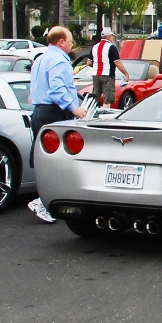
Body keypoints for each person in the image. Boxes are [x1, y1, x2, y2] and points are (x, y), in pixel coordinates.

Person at [28, 26, 89, 223]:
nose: (72, 45)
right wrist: (74, 108)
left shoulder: (41, 58)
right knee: (58, 158)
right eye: (70, 41)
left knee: (42, 157)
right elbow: (57, 90)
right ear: (61, 41)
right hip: (54, 112)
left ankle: (44, 199)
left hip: (40, 112)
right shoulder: (58, 60)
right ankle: (44, 202)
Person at [89, 27, 129, 108]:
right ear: (109, 37)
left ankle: (93, 116)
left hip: (96, 75)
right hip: (107, 75)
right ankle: (104, 118)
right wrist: (126, 74)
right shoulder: (111, 47)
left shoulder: (95, 47)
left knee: (95, 98)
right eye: (112, 36)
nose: (113, 38)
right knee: (107, 99)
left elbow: (89, 62)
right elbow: (117, 62)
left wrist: (98, 65)